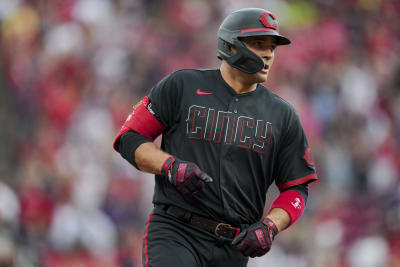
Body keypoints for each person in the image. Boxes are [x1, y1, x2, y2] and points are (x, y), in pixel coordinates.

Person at [113, 8, 318, 267]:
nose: (268, 53)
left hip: (234, 247)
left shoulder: (283, 115)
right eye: (258, 44)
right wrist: (169, 165)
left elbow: (296, 188)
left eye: (272, 47)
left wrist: (270, 227)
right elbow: (130, 138)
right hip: (177, 231)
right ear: (230, 46)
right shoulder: (182, 85)